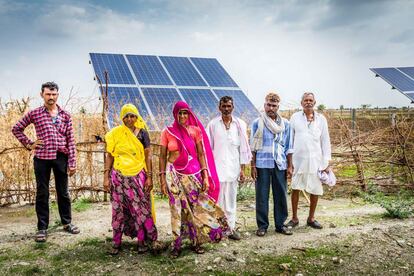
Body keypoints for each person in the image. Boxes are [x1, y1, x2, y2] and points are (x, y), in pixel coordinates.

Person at [159, 101, 230, 258]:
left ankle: (196, 241)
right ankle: (176, 244)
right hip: (174, 175)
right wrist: (162, 178)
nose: (183, 116)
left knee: (197, 209)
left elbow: (201, 154)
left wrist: (205, 175)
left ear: (189, 114)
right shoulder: (167, 132)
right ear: (175, 114)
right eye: (180, 113)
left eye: (185, 113)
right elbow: (162, 156)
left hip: (194, 175)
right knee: (176, 210)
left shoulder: (195, 131)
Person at [12, 81, 80, 242]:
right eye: (48, 94)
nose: (51, 97)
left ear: (58, 94)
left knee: (63, 192)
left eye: (54, 94)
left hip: (60, 157)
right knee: (42, 192)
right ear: (42, 94)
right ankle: (42, 227)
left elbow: (70, 140)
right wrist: (29, 143)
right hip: (42, 158)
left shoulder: (65, 115)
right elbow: (16, 128)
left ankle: (67, 222)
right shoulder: (35, 113)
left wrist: (72, 162)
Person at [104, 103, 161, 255]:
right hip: (118, 177)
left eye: (132, 116)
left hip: (138, 177)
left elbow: (148, 156)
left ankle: (141, 241)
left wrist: (149, 177)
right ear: (122, 118)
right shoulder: (115, 133)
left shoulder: (143, 133)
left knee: (140, 210)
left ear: (137, 117)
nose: (129, 119)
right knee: (118, 211)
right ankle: (116, 243)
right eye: (126, 116)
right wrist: (106, 176)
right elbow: (109, 155)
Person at [207, 96, 251, 240]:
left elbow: (243, 149)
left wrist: (242, 170)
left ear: (233, 107)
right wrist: (208, 172)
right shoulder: (213, 125)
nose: (226, 109)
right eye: (223, 106)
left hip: (233, 169)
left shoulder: (240, 125)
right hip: (217, 171)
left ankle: (230, 229)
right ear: (219, 108)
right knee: (217, 202)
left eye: (229, 106)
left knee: (231, 201)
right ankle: (216, 230)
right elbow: (207, 149)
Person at [286, 92, 331, 230]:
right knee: (296, 188)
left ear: (314, 102)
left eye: (310, 100)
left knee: (315, 189)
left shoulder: (321, 119)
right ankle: (294, 218)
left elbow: (325, 141)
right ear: (301, 103)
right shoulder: (294, 118)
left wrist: (326, 162)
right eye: (305, 100)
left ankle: (311, 218)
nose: (308, 102)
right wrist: (290, 163)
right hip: (298, 160)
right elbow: (290, 141)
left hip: (316, 161)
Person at [250, 92, 293, 237]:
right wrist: (253, 165)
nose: (271, 108)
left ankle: (280, 225)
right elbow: (253, 146)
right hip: (262, 164)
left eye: (274, 105)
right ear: (264, 105)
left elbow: (288, 146)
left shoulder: (285, 124)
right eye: (268, 104)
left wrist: (289, 166)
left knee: (280, 195)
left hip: (279, 163)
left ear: (277, 107)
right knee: (262, 196)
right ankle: (262, 226)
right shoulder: (257, 122)